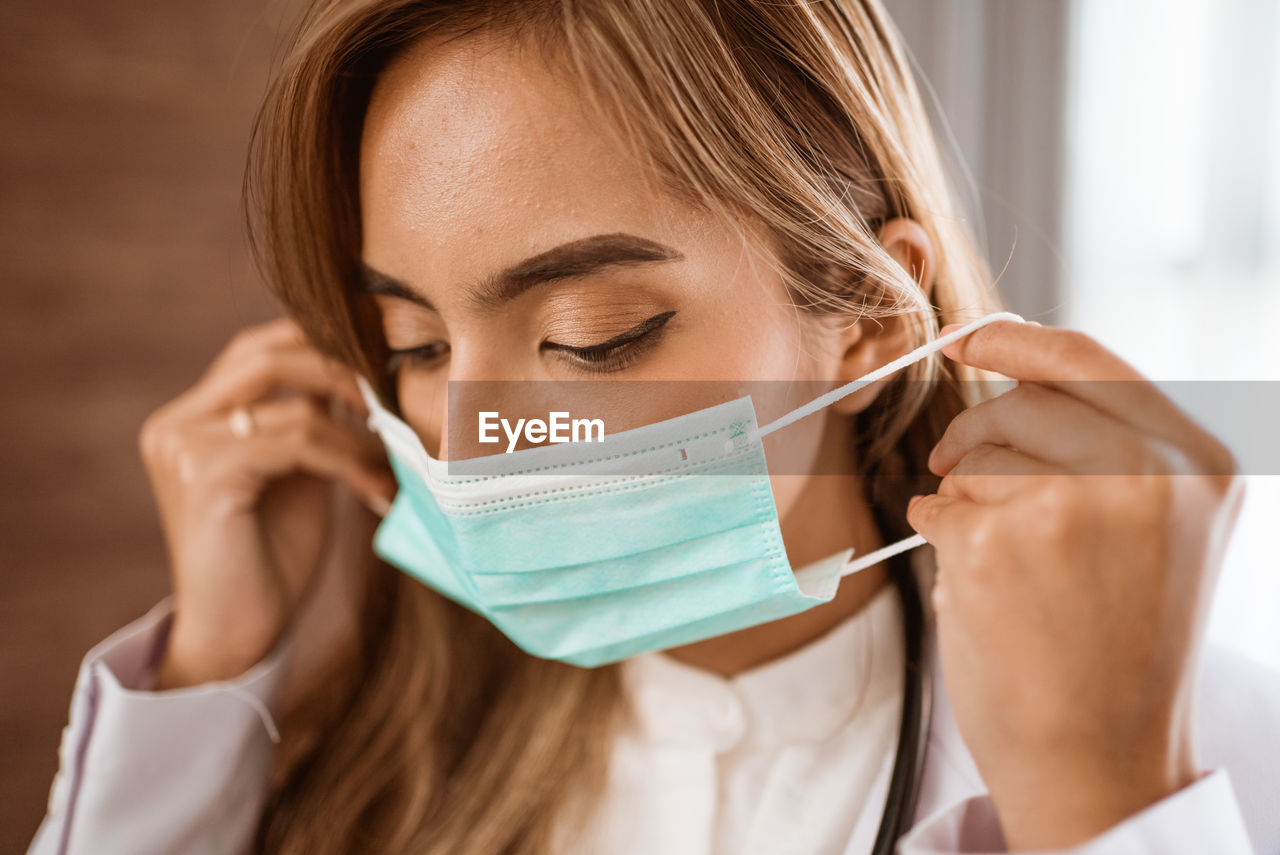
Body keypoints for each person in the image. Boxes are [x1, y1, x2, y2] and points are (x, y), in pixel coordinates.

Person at [27, 1, 1280, 853]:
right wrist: (208, 671)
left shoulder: (1206, 757)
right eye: (415, 346)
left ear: (867, 312)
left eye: (588, 335)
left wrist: (1107, 801)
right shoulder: (341, 741)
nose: (470, 439)